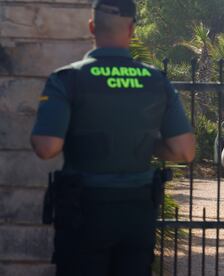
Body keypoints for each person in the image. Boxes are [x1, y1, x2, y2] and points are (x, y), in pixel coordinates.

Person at [30, 0, 195, 275]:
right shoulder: (156, 81)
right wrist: (145, 145)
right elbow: (184, 151)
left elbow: (47, 147)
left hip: (84, 212)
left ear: (92, 27)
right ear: (131, 30)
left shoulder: (66, 79)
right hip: (138, 213)